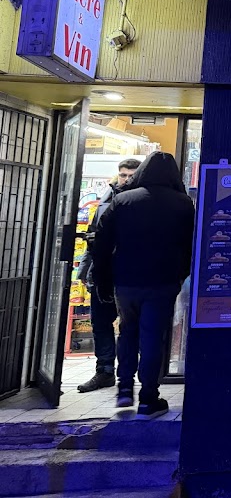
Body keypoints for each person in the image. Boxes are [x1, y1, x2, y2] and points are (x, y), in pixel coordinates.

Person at [93, 152, 194, 420]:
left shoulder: (123, 200)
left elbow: (102, 243)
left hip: (126, 280)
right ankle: (149, 398)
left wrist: (103, 280)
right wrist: (181, 275)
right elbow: (190, 246)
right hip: (162, 281)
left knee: (127, 331)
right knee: (152, 336)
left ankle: (125, 388)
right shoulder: (183, 204)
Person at [77, 158, 139, 393]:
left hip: (130, 274)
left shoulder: (143, 201)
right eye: (123, 175)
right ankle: (104, 371)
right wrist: (85, 270)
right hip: (103, 272)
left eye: (131, 175)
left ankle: (127, 374)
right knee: (101, 323)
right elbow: (92, 236)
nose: (126, 179)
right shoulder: (106, 199)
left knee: (129, 325)